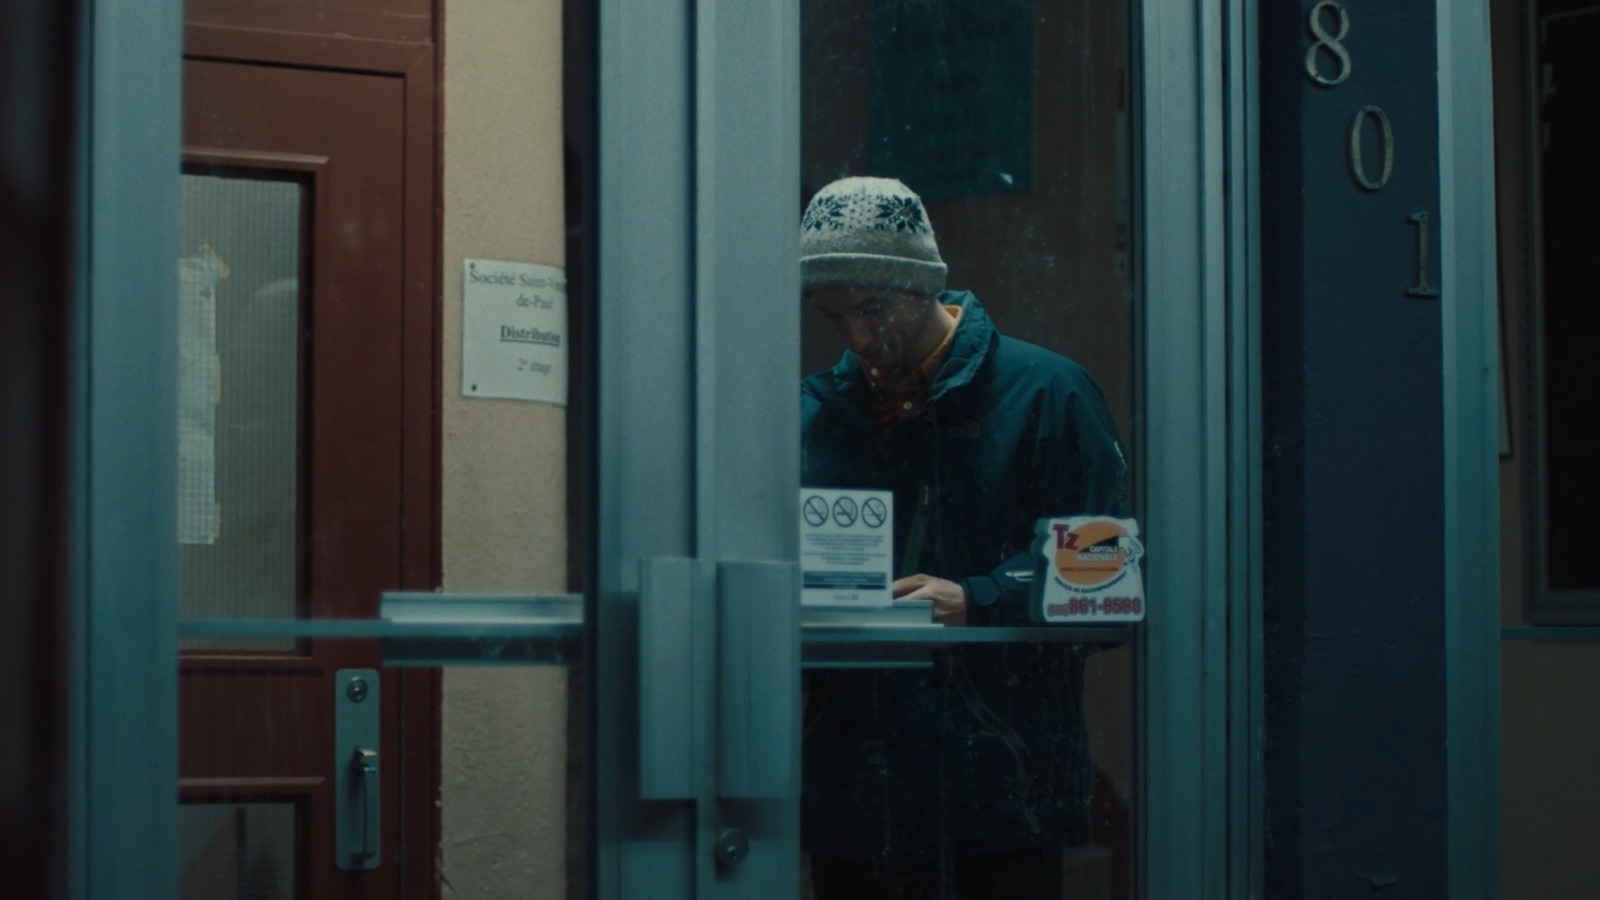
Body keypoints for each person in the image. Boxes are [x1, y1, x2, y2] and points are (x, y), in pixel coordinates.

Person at [799, 176, 1129, 898]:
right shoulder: (813, 415)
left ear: (924, 286)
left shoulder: (1047, 394)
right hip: (853, 785)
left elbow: (1108, 585)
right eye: (834, 318)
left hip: (996, 785)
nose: (858, 340)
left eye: (873, 309)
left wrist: (978, 600)